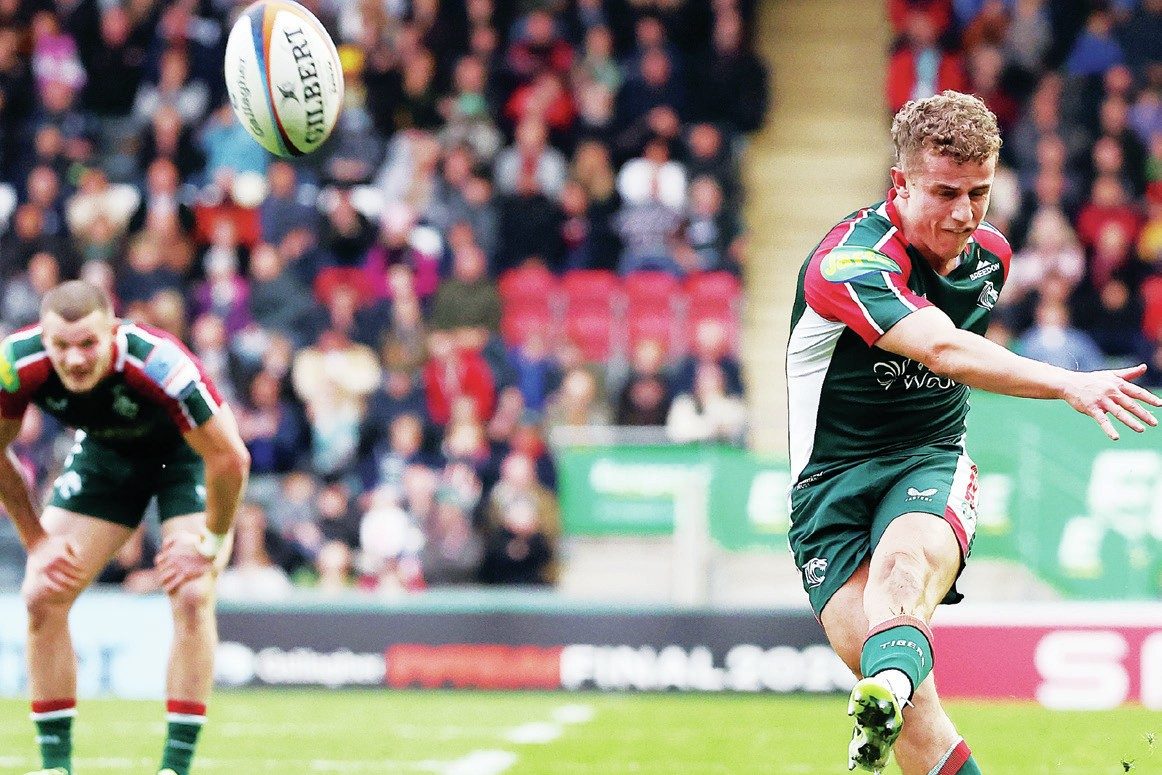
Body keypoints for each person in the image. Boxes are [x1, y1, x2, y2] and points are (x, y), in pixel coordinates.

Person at [784, 91, 1160, 775]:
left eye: (979, 193)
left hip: (927, 461)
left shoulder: (992, 256)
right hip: (827, 490)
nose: (964, 214)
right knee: (915, 715)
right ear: (899, 184)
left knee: (903, 574)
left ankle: (886, 694)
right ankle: (892, 699)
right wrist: (1068, 380)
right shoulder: (848, 262)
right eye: (945, 192)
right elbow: (944, 350)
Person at [0, 280, 250, 775]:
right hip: (107, 458)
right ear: (42, 338)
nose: (74, 359)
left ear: (114, 333)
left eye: (88, 343)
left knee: (194, 593)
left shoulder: (161, 363)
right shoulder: (14, 363)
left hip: (186, 459)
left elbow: (231, 459)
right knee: (41, 592)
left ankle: (174, 768)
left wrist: (212, 543)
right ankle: (55, 767)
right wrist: (37, 541)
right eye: (61, 346)